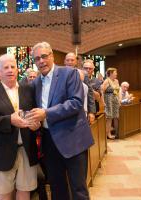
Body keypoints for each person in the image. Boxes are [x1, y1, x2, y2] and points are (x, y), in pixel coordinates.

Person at [27, 42, 94, 200]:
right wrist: (35, 122)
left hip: (73, 138)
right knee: (57, 188)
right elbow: (35, 110)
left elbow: (76, 103)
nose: (41, 61)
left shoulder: (69, 73)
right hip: (49, 142)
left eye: (44, 56)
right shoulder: (35, 83)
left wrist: (46, 113)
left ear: (52, 56)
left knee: (78, 190)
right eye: (37, 58)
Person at [0, 54, 40, 200]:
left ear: (17, 70)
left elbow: (35, 114)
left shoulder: (28, 90)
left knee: (25, 190)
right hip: (2, 149)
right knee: (5, 192)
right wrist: (9, 120)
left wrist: (36, 125)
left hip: (26, 148)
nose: (10, 70)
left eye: (12, 66)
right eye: (5, 67)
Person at [64, 52, 96, 124]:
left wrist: (91, 112)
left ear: (76, 62)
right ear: (64, 61)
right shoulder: (59, 75)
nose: (70, 62)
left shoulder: (83, 74)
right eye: (68, 60)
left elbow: (90, 94)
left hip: (80, 111)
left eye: (72, 60)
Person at [102, 68, 120, 139]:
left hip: (115, 100)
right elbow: (102, 92)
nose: (116, 74)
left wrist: (118, 100)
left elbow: (117, 92)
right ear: (111, 73)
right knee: (109, 118)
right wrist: (103, 102)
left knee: (116, 116)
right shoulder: (107, 81)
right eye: (115, 73)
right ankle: (108, 134)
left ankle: (117, 132)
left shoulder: (116, 81)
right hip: (108, 100)